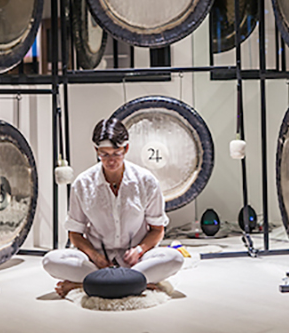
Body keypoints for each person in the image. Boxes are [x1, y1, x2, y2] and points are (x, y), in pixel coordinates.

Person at [42, 118, 184, 297]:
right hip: (97, 263)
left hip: (137, 262)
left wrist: (139, 250)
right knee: (50, 260)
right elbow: (75, 234)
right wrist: (96, 257)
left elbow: (157, 230)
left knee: (175, 258)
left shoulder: (146, 181)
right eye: (104, 154)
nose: (111, 161)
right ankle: (136, 283)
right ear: (96, 151)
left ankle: (88, 284)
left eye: (116, 153)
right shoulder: (82, 183)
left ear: (126, 148)